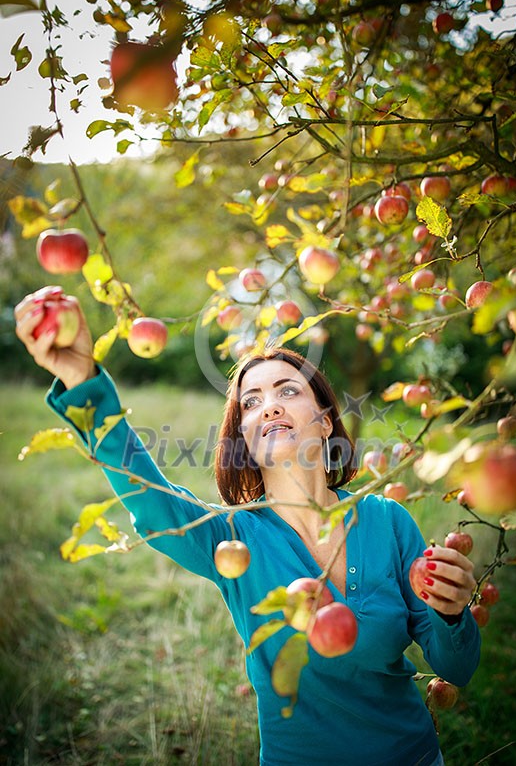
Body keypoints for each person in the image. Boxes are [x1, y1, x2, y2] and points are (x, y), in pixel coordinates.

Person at [15, 286, 480, 766]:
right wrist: (82, 380)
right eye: (251, 402)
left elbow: (457, 667)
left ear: (325, 422)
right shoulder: (233, 538)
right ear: (244, 440)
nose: (270, 407)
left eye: (288, 390)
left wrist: (451, 613)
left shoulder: (387, 520)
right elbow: (153, 505)